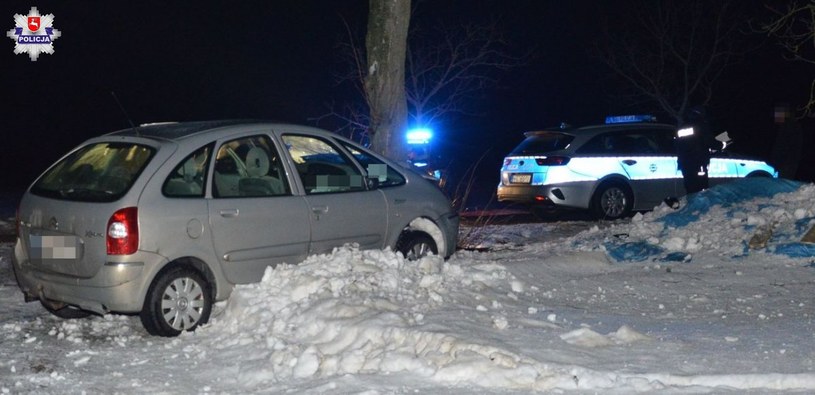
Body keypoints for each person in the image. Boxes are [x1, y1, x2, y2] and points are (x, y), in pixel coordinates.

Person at [676, 105, 719, 194]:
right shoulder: (701, 126)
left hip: (685, 164)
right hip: (698, 162)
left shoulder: (683, 127)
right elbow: (710, 141)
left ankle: (693, 205)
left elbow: (678, 145)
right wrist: (722, 144)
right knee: (701, 189)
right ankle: (700, 207)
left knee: (690, 188)